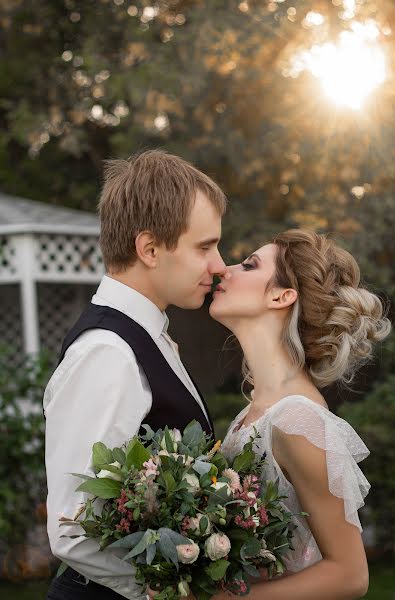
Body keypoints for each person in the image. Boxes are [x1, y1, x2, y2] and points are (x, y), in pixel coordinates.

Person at [44, 150, 227, 600]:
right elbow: (72, 529)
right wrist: (180, 590)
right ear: (149, 249)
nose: (219, 265)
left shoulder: (145, 337)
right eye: (204, 247)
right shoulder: (108, 352)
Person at [210, 229, 391, 600]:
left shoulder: (299, 421)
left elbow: (350, 575)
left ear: (282, 295)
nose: (224, 269)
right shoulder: (252, 413)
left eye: (248, 265)